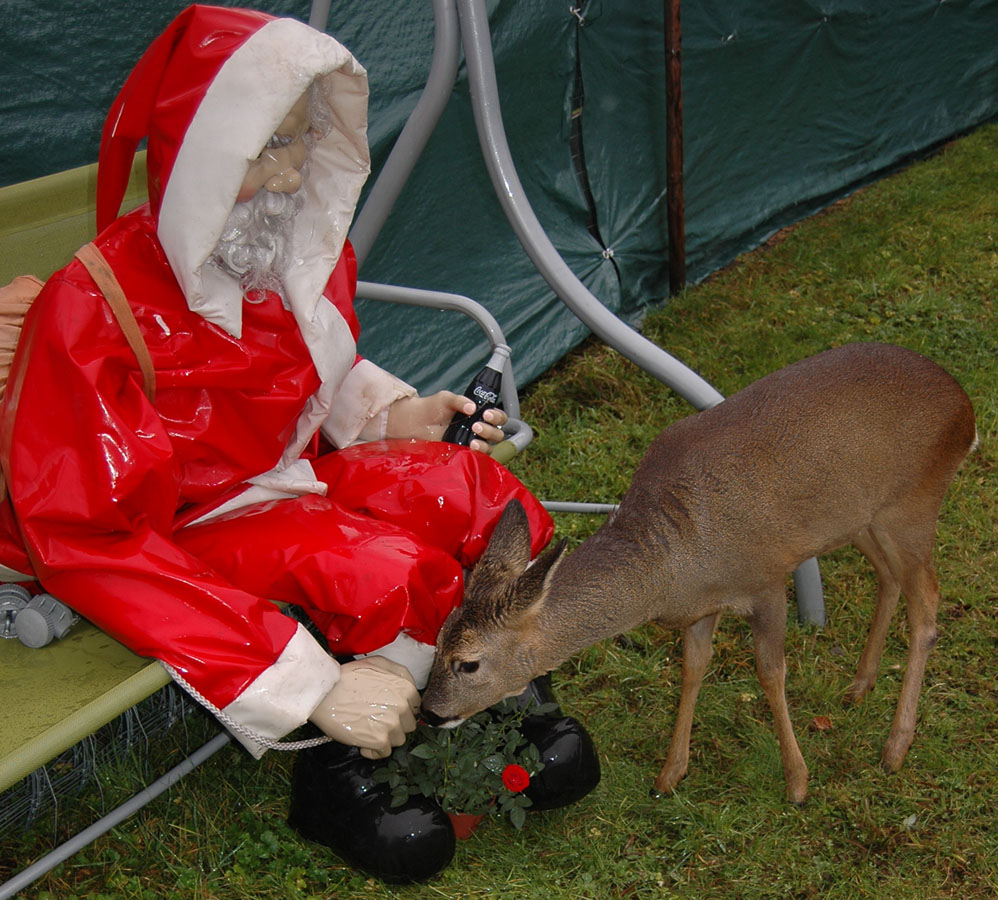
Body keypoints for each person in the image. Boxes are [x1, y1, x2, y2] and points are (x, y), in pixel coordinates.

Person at [0, 4, 598, 884]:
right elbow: (91, 537)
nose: (288, 176)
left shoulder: (282, 251)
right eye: (264, 150)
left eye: (300, 142)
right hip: (171, 523)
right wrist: (313, 688)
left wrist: (397, 418)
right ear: (202, 156)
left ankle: (494, 685)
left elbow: (303, 372)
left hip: (280, 471)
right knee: (380, 569)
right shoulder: (92, 312)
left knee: (485, 498)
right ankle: (340, 772)